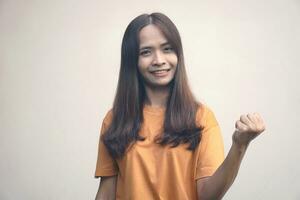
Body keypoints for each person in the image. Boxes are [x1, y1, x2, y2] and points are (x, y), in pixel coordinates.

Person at [94, 12, 266, 200]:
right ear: (132, 61)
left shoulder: (202, 118)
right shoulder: (114, 119)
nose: (159, 60)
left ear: (178, 54)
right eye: (146, 52)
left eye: (167, 49)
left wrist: (240, 145)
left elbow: (208, 196)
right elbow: (106, 193)